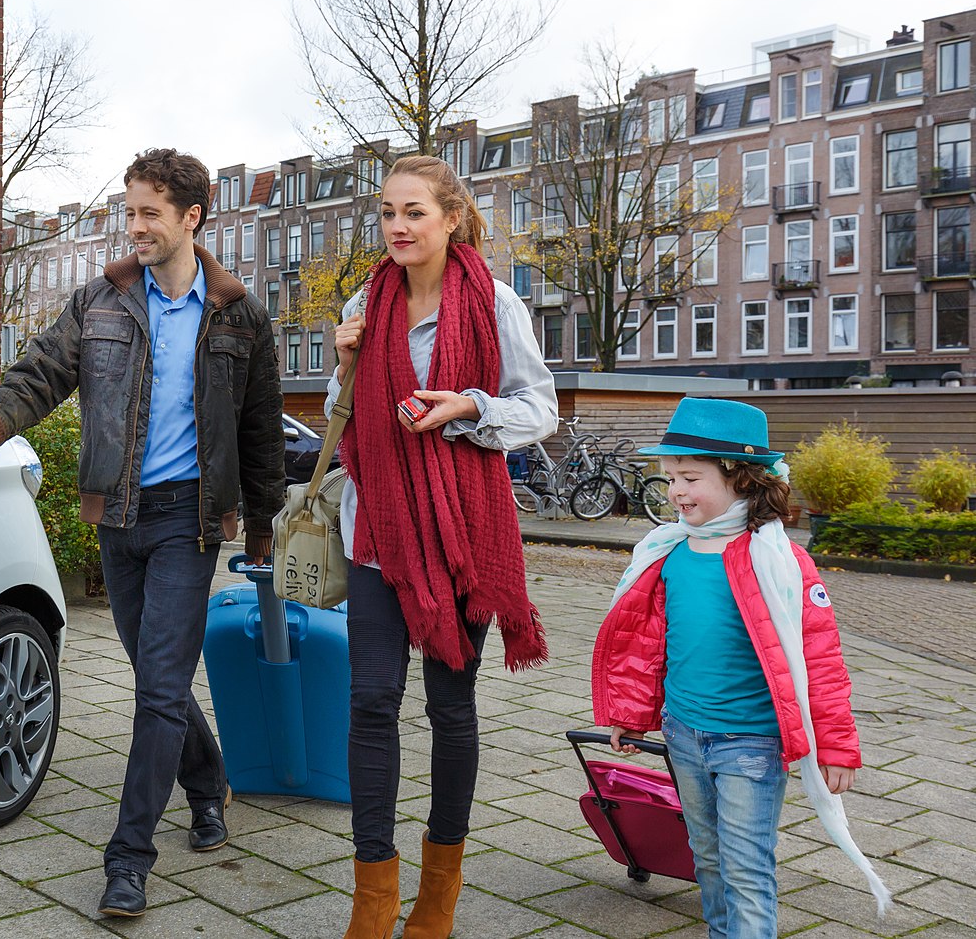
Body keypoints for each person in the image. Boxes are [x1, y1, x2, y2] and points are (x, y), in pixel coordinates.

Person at [0, 148, 286, 918]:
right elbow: (40, 373)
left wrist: (262, 531)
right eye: (127, 211)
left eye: (148, 213)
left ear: (190, 218)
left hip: (189, 524)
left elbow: (261, 433)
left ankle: (127, 859)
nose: (132, 227)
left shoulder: (239, 315)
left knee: (160, 689)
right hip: (118, 518)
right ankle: (207, 787)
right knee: (155, 680)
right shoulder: (99, 303)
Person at [329, 155, 557, 939]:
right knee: (368, 703)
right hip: (377, 536)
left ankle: (437, 898)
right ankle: (372, 899)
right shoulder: (366, 299)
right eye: (388, 212)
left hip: (462, 538)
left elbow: (539, 410)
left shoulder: (493, 302)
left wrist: (468, 407)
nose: (397, 226)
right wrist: (345, 359)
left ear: (451, 218)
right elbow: (344, 415)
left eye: (414, 212)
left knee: (450, 710)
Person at [592, 397, 891, 937]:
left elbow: (820, 660)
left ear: (742, 478)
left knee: (747, 868)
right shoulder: (668, 553)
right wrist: (631, 713)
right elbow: (647, 647)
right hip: (683, 732)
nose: (676, 490)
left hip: (750, 743)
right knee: (706, 858)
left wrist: (838, 745)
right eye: (670, 478)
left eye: (689, 477)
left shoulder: (778, 561)